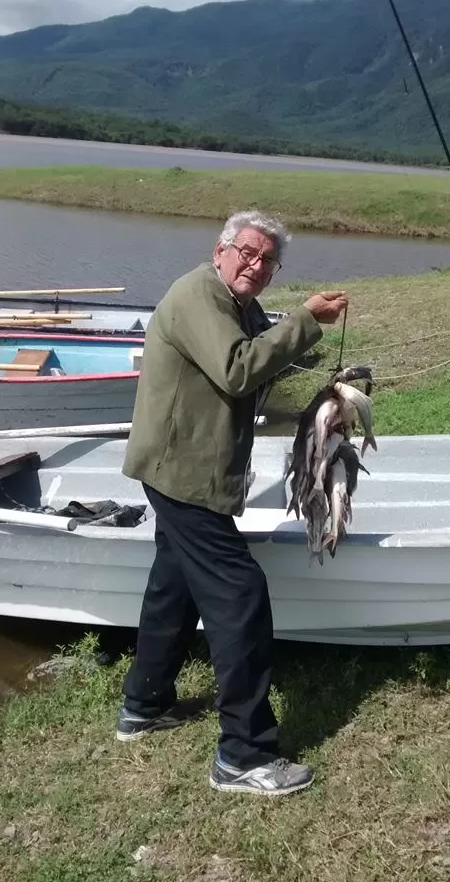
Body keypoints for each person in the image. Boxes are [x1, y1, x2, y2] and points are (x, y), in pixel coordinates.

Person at [116, 210, 349, 797]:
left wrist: (319, 399)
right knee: (240, 595)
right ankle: (242, 756)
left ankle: (144, 705)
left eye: (268, 259)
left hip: (187, 469)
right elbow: (237, 368)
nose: (256, 265)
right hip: (182, 472)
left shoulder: (235, 303)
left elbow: (247, 373)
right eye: (247, 251)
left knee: (174, 586)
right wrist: (305, 320)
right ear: (220, 250)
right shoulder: (198, 294)